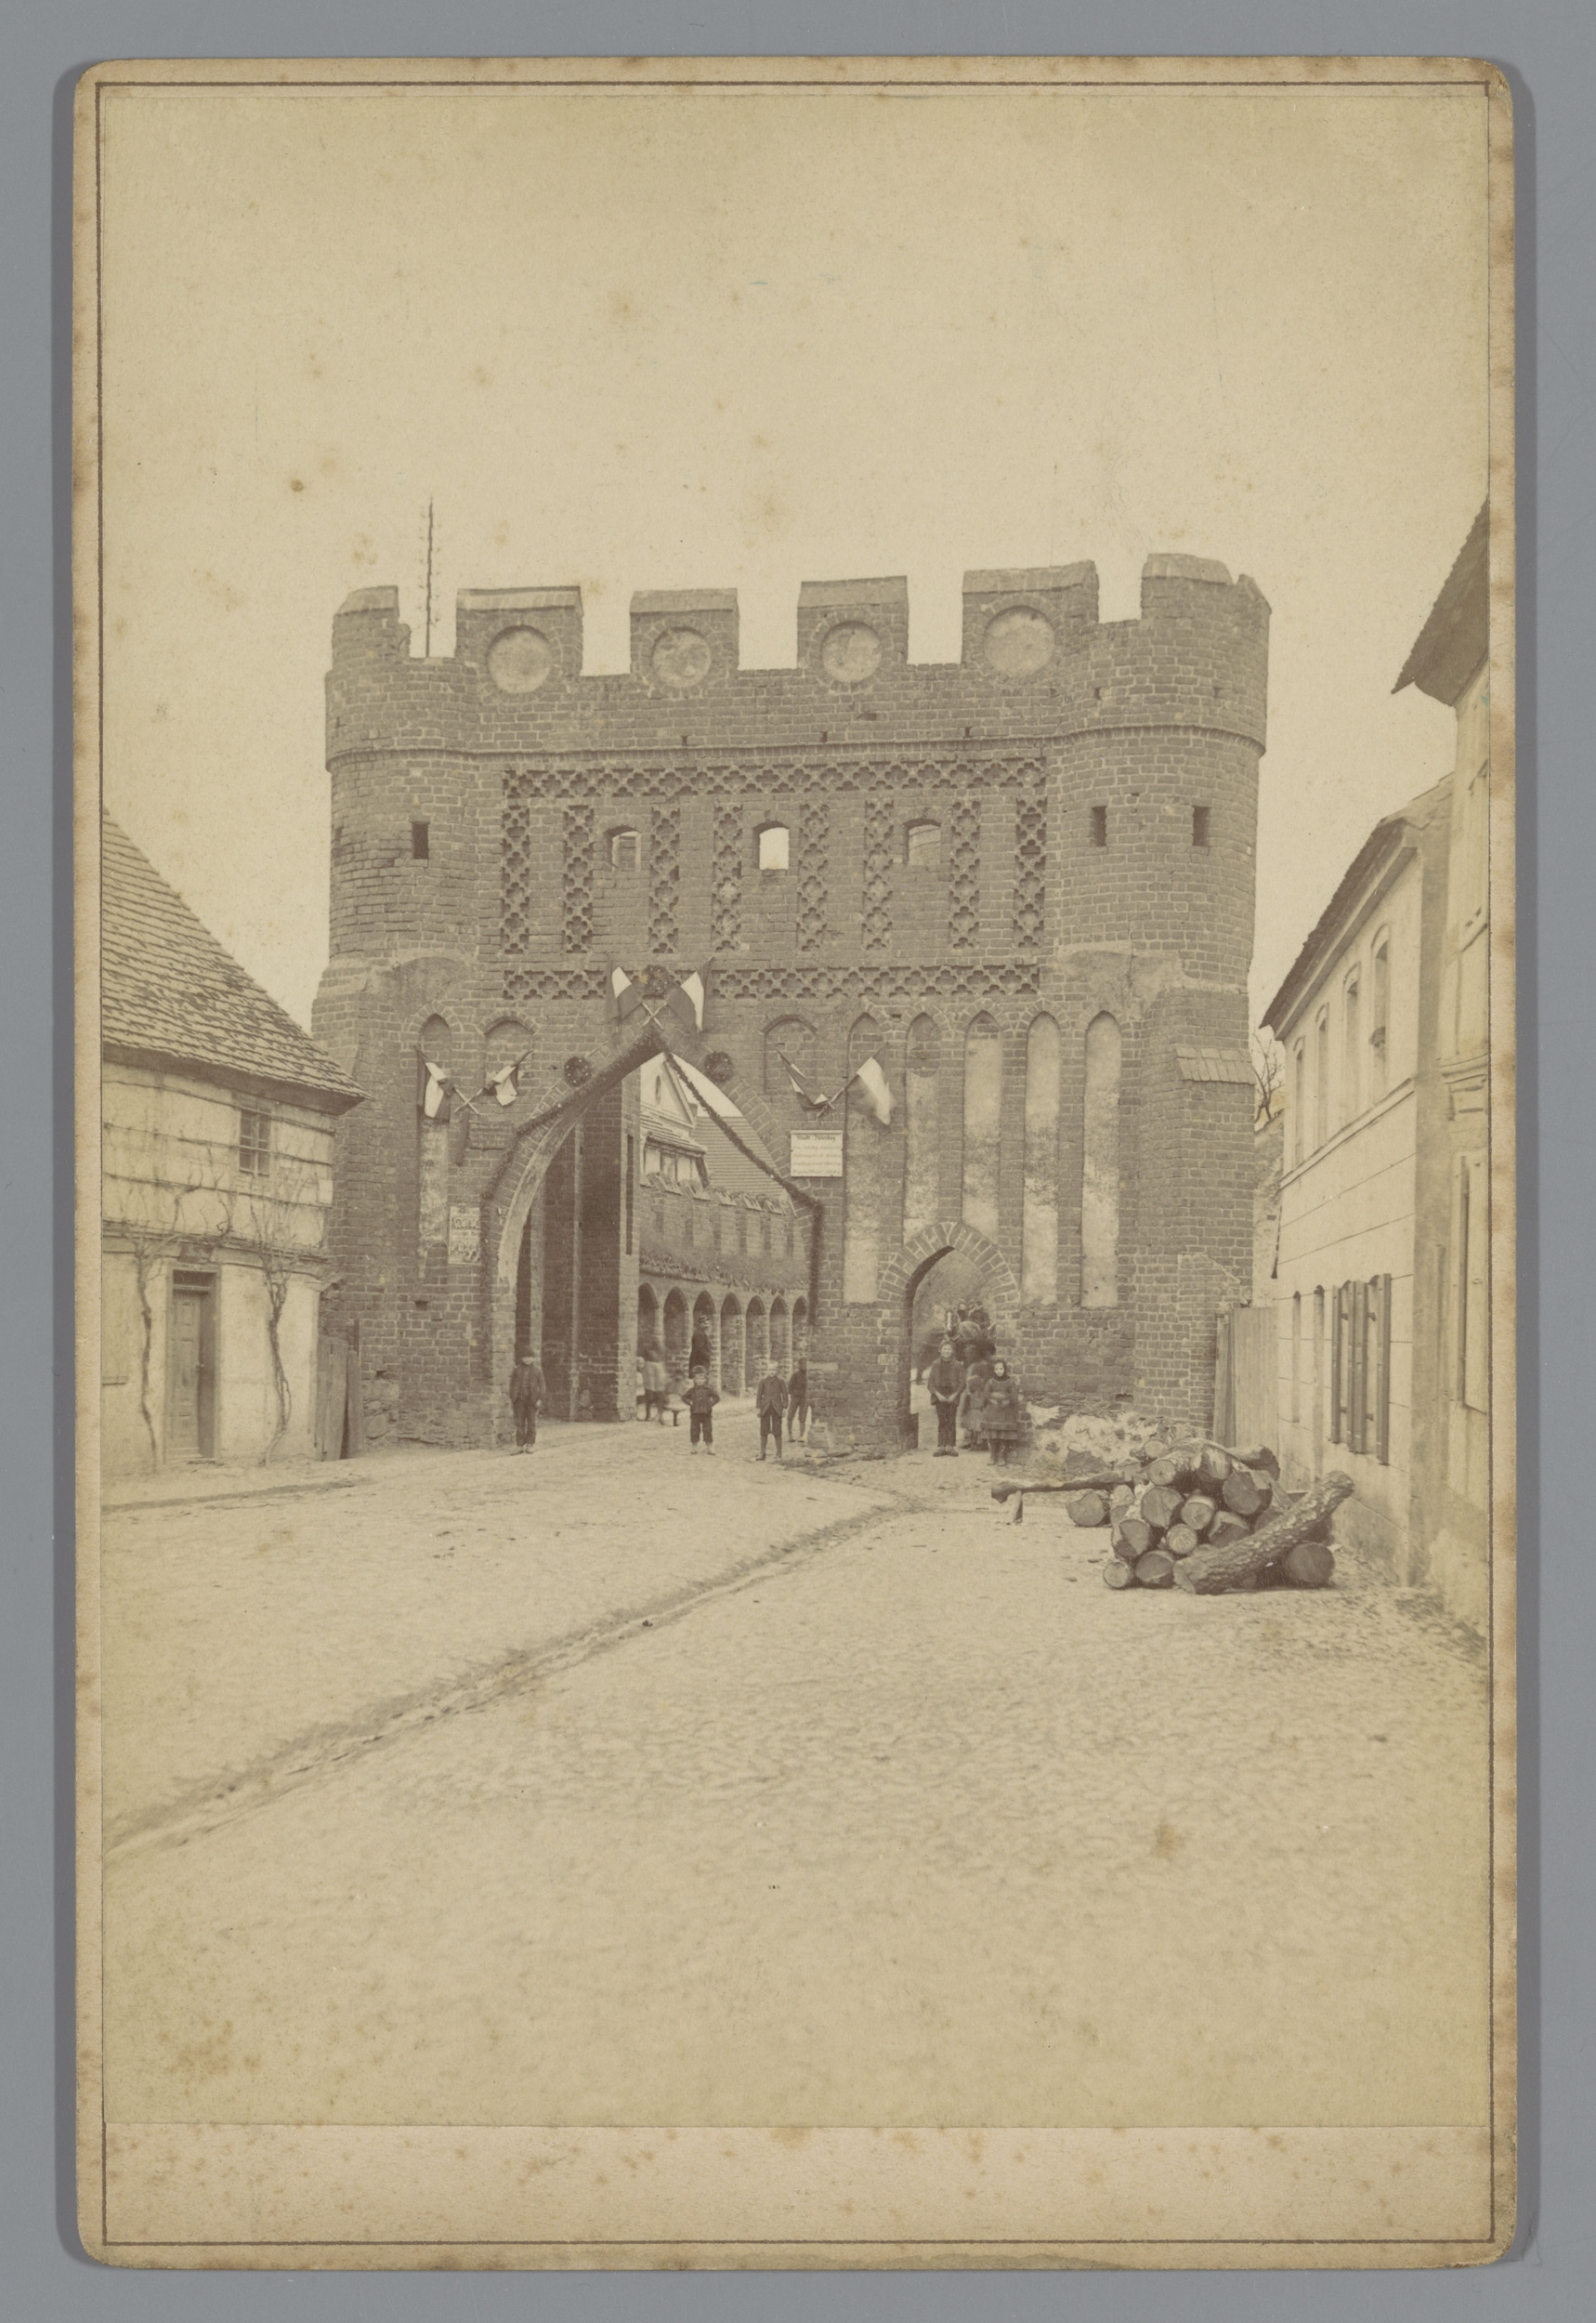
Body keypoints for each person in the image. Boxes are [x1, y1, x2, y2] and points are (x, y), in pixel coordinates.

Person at [926, 1336, 965, 1456]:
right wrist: (937, 1394)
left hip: (952, 1395)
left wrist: (955, 1395)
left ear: (953, 1351)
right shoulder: (935, 1364)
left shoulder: (958, 1365)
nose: (947, 1351)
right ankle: (942, 1446)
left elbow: (962, 1383)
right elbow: (930, 1383)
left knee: (951, 1420)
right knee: (942, 1421)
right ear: (940, 1350)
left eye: (949, 1349)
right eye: (944, 1349)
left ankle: (950, 1446)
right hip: (940, 1395)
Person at [982, 1358, 1026, 1466]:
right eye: (996, 1369)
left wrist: (1007, 1402)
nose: (999, 1371)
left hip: (1005, 1412)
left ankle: (1001, 1456)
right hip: (992, 1411)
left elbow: (1014, 1396)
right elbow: (986, 1395)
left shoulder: (1010, 1382)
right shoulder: (990, 1382)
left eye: (1001, 1369)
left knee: (1003, 1434)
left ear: (1005, 1369)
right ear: (994, 1370)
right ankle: (992, 1456)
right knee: (992, 1434)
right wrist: (992, 1401)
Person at [508, 1350, 545, 1452]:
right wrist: (513, 1397)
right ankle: (520, 1445)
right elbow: (512, 1385)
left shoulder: (537, 1371)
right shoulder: (517, 1370)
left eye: (529, 1357)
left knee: (531, 1423)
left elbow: (542, 1387)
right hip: (519, 1400)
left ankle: (530, 1444)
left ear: (533, 1358)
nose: (527, 1359)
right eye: (525, 1357)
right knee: (519, 1422)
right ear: (522, 1358)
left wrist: (540, 1399)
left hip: (532, 1401)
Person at [960, 1345, 995, 1450]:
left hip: (979, 1395)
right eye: (966, 1354)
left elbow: (983, 1382)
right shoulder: (971, 1366)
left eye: (969, 1354)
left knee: (978, 1420)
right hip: (973, 1394)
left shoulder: (981, 1366)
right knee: (972, 1419)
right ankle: (971, 1440)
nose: (967, 1356)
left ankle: (980, 1442)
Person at [754, 1359, 787, 1460]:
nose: (772, 1372)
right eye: (770, 1369)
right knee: (764, 1430)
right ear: (767, 1370)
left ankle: (779, 1454)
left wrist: (784, 1407)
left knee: (777, 1431)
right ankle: (762, 1453)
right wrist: (758, 1408)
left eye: (774, 1369)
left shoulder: (781, 1381)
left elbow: (785, 1396)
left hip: (777, 1409)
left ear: (777, 1370)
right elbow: (759, 1396)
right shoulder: (763, 1381)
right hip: (765, 1408)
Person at [685, 1364, 719, 1455]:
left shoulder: (709, 1389)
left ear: (705, 1379)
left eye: (701, 1379)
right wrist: (690, 1402)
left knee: (708, 1430)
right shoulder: (692, 1390)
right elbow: (684, 1397)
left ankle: (710, 1447)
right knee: (694, 1430)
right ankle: (694, 1446)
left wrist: (710, 1404)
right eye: (697, 1379)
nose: (699, 1381)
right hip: (695, 1413)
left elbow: (717, 1397)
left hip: (706, 1414)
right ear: (694, 1380)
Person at [639, 1336, 670, 1424]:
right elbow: (642, 1357)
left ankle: (660, 1415)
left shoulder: (662, 1350)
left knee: (660, 1392)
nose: (655, 1341)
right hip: (649, 1368)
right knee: (649, 1391)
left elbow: (664, 1358)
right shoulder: (646, 1348)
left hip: (659, 1368)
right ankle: (648, 1415)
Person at [787, 1358, 809, 1441]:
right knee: (790, 1416)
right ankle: (790, 1435)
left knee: (802, 1418)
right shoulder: (795, 1375)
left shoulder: (809, 1375)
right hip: (795, 1398)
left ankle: (801, 1435)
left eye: (806, 1363)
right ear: (799, 1365)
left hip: (804, 1399)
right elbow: (789, 1386)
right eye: (803, 1363)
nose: (805, 1365)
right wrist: (793, 1395)